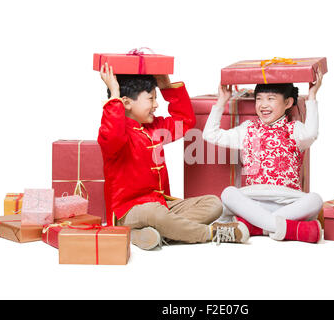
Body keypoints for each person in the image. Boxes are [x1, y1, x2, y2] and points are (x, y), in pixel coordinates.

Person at [98, 63, 249, 250]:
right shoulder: (115, 135)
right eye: (151, 99)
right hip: (126, 212)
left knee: (213, 204)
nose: (156, 104)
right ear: (126, 103)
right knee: (156, 213)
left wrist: (167, 87)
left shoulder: (154, 128)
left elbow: (185, 121)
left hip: (160, 205)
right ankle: (212, 233)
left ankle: (150, 234)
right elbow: (112, 135)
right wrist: (114, 95)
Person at [202, 67, 324, 243]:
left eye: (271, 99)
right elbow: (210, 135)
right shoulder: (248, 129)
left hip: (288, 200)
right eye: (259, 99)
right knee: (228, 193)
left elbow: (312, 133)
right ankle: (287, 228)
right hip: (253, 200)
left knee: (315, 200)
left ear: (288, 103)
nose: (263, 104)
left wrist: (312, 96)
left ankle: (255, 227)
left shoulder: (294, 129)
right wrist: (222, 101)